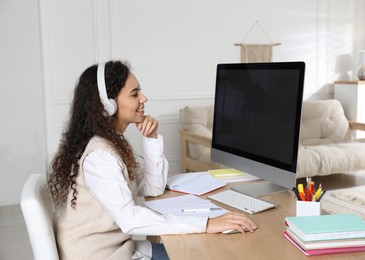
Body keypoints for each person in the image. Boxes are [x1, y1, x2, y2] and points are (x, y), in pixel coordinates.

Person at [48, 60, 257, 260]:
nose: (144, 98)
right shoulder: (99, 156)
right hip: (99, 255)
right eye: (134, 94)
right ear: (108, 106)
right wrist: (207, 223)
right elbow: (131, 220)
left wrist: (151, 139)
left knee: (205, 249)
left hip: (117, 248)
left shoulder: (110, 143)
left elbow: (154, 188)